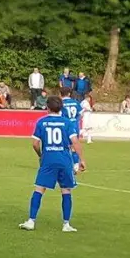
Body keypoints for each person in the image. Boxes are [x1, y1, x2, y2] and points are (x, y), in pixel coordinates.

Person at [21, 96, 84, 233]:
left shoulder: (41, 122)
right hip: (65, 160)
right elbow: (75, 142)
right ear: (61, 107)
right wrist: (81, 160)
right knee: (66, 190)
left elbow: (35, 143)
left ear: (47, 108)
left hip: (48, 159)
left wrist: (41, 155)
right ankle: (66, 224)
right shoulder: (67, 123)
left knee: (39, 189)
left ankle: (31, 221)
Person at [60, 90, 84, 172]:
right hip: (75, 126)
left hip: (65, 126)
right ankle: (76, 165)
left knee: (64, 145)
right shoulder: (75, 102)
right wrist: (76, 120)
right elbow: (81, 114)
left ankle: (65, 165)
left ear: (60, 94)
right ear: (69, 94)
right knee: (74, 145)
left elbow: (59, 115)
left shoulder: (60, 103)